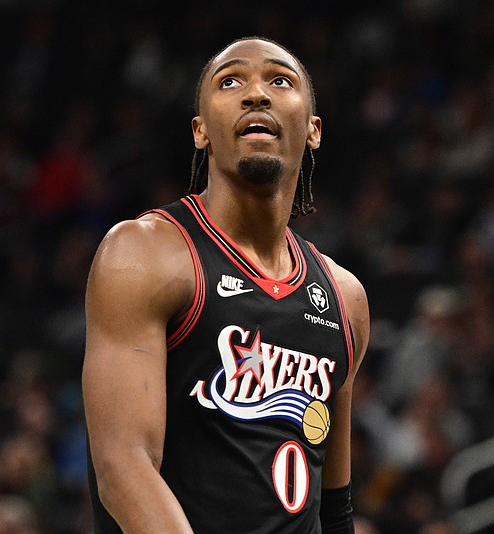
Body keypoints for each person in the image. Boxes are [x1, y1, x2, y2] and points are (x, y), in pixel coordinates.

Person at [82, 36, 369, 533]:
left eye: (280, 81)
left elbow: (334, 505)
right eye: (231, 80)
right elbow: (124, 468)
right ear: (200, 132)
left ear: (314, 129)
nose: (256, 94)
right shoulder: (144, 254)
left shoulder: (344, 297)